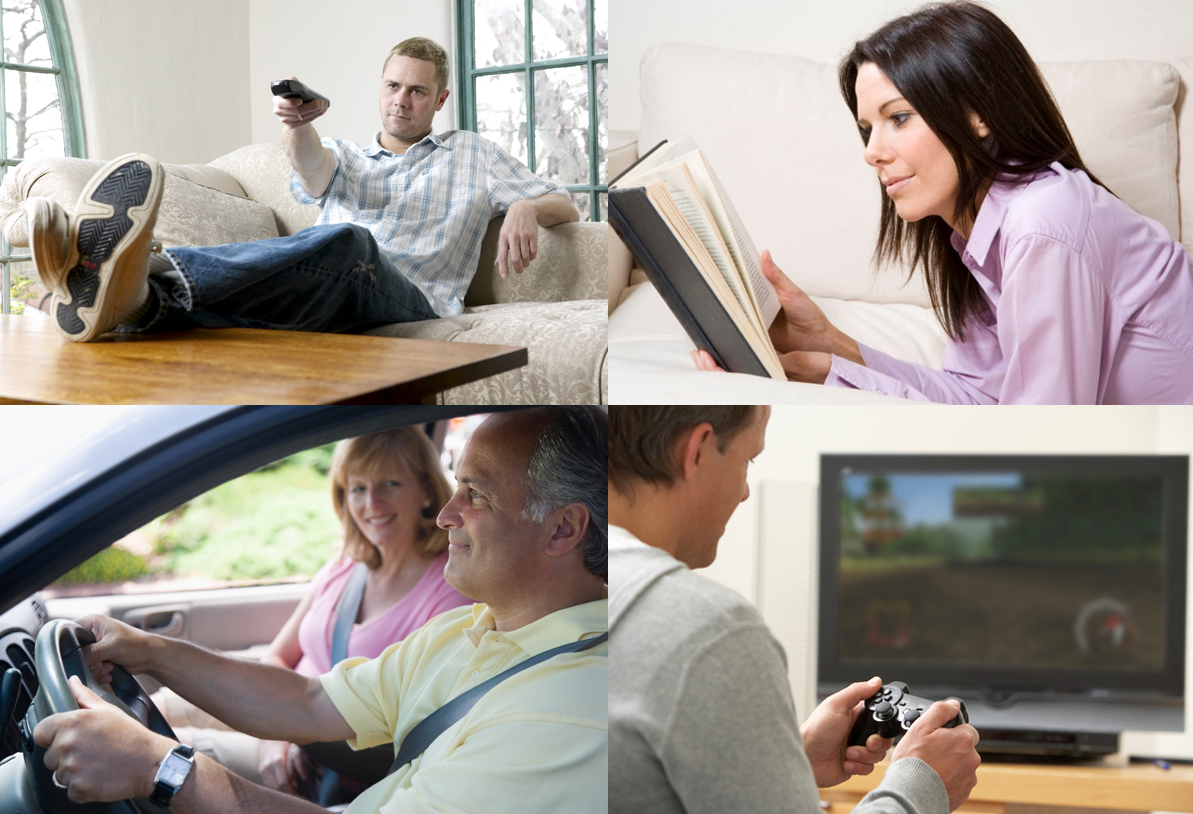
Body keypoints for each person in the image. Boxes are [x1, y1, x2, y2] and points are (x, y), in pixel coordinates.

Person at [33, 407, 608, 814]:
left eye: (476, 494)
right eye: (457, 486)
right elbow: (308, 701)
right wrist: (150, 650)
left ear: (563, 528)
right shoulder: (467, 628)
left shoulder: (573, 713)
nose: (447, 514)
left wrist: (161, 767)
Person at [692, 1, 1193, 404]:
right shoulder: (978, 239)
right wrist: (832, 352)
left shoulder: (1043, 221)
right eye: (866, 129)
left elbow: (1042, 437)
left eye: (898, 118)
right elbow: (980, 399)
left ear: (978, 115)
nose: (872, 153)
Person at [29, 36, 580, 343]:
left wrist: (526, 205)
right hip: (335, 289)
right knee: (279, 310)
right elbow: (312, 169)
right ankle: (137, 302)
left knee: (350, 242)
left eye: (416, 92)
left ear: (439, 100)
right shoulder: (345, 154)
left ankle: (145, 264)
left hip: (413, 298)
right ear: (380, 88)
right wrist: (296, 124)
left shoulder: (474, 154)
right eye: (392, 86)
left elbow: (567, 201)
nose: (400, 100)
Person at [608, 406, 981, 814]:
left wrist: (787, 766)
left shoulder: (576, 580)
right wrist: (922, 785)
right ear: (697, 450)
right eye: (749, 459)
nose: (744, 491)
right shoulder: (708, 630)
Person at [152, 426, 471, 797]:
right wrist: (277, 733)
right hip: (281, 721)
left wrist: (288, 733)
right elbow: (277, 654)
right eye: (358, 489)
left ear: (428, 491)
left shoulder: (450, 591)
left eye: (390, 484)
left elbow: (412, 728)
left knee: (163, 751)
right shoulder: (346, 564)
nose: (372, 504)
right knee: (159, 707)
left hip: (330, 764)